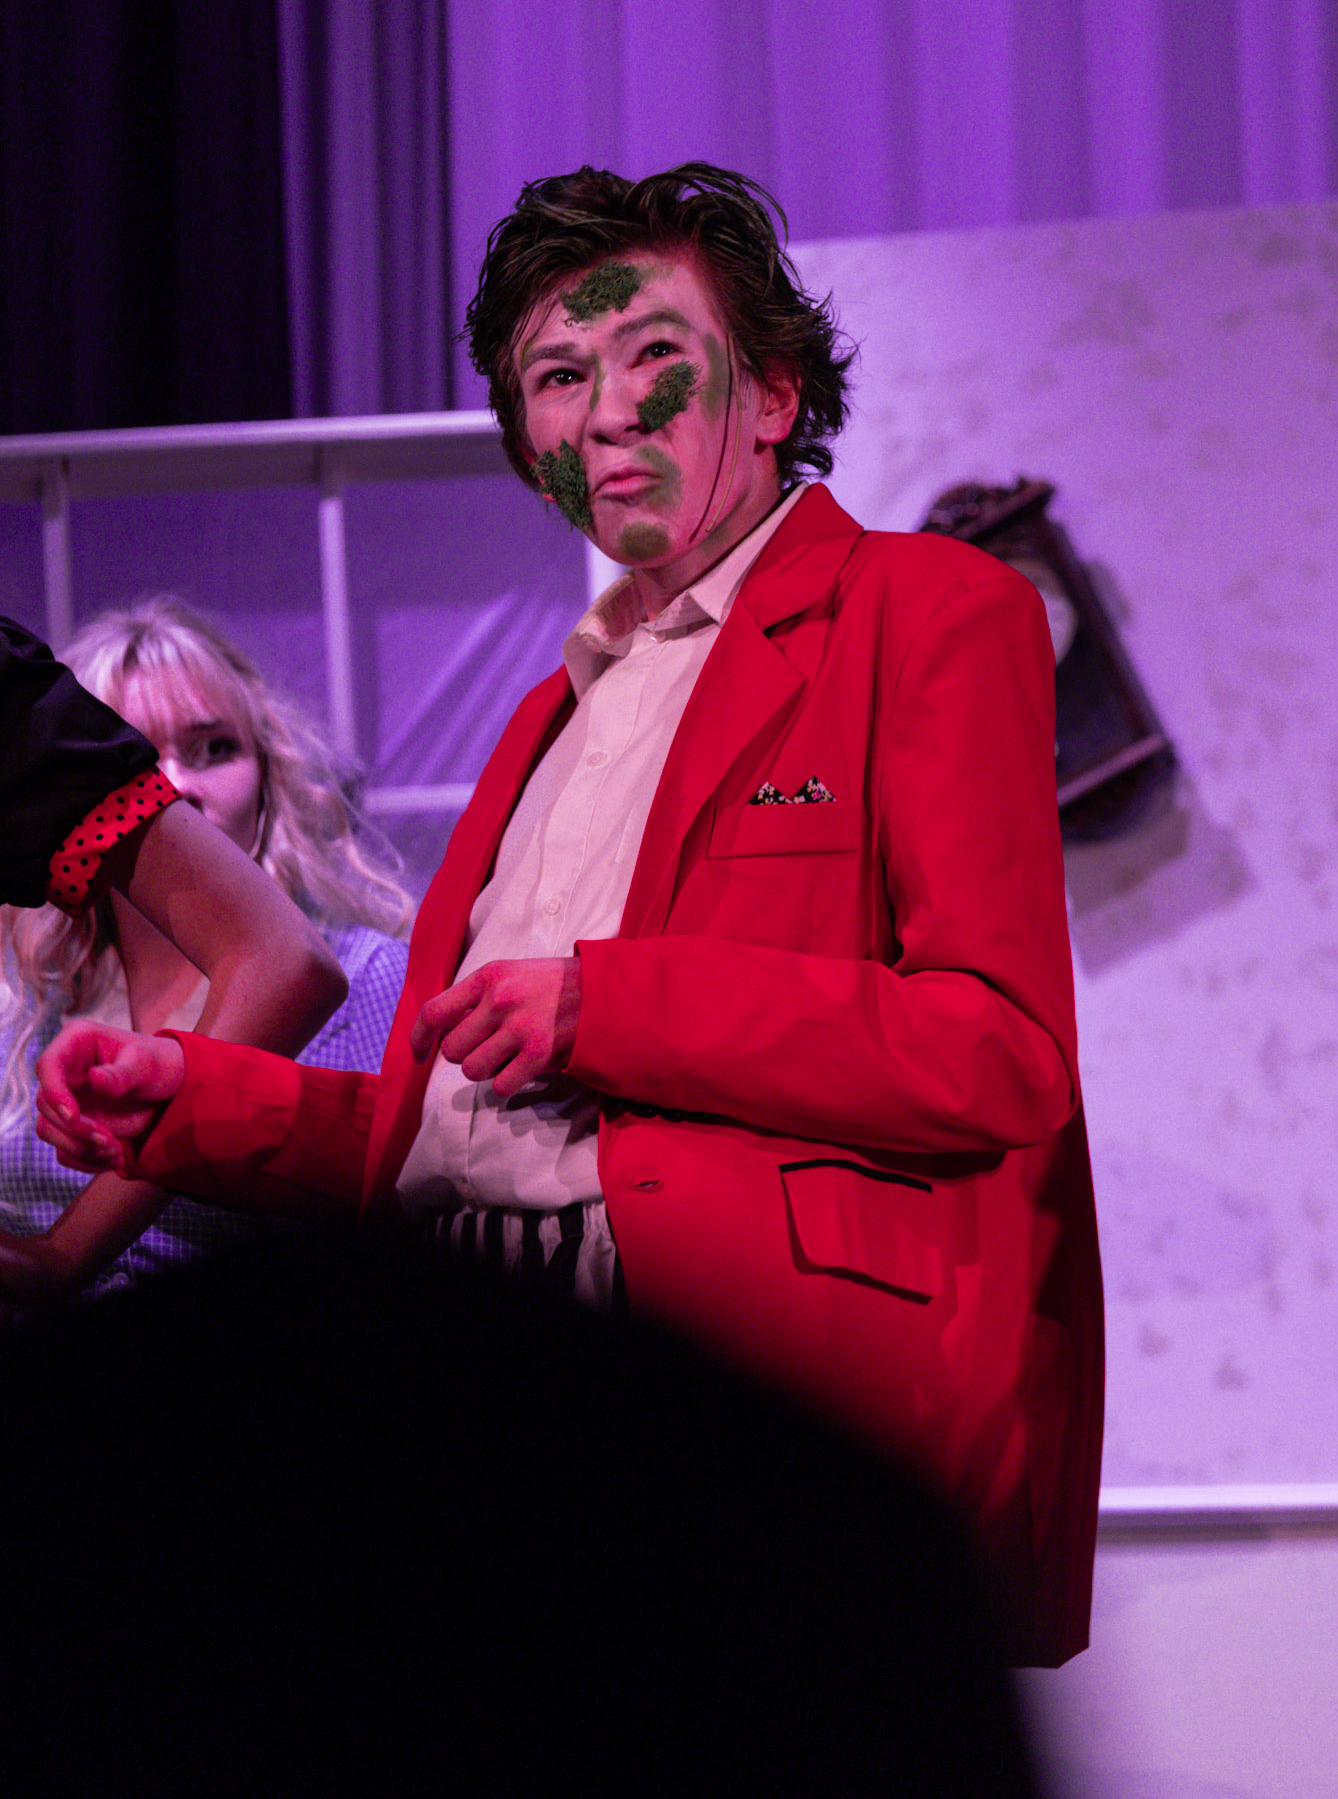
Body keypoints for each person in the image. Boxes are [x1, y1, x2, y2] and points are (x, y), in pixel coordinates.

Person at [39, 164, 1104, 1665]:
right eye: (554, 376)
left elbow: (996, 1050)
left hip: (753, 1375)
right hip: (486, 1364)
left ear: (774, 392)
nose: (604, 412)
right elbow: (433, 1138)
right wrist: (187, 1101)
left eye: (652, 353)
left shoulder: (922, 611)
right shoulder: (546, 716)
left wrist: (612, 1005)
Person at [1, 598, 410, 1301]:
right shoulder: (20, 1007)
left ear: (271, 776)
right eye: (129, 759)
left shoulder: (379, 984)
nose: (177, 786)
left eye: (214, 749)